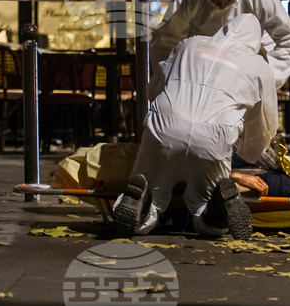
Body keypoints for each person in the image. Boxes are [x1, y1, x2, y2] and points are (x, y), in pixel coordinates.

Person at [115, 15, 279, 240]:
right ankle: (217, 209)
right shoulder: (259, 65)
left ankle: (142, 202)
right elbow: (265, 123)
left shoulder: (189, 44)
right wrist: (248, 153)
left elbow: (155, 88)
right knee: (204, 210)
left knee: (152, 190)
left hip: (164, 126)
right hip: (214, 138)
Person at [150, 0, 290, 90]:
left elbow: (289, 40)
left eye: (228, 2)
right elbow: (166, 39)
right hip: (200, 63)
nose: (222, 7)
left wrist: (265, 80)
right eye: (216, 3)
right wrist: (167, 80)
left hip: (253, 59)